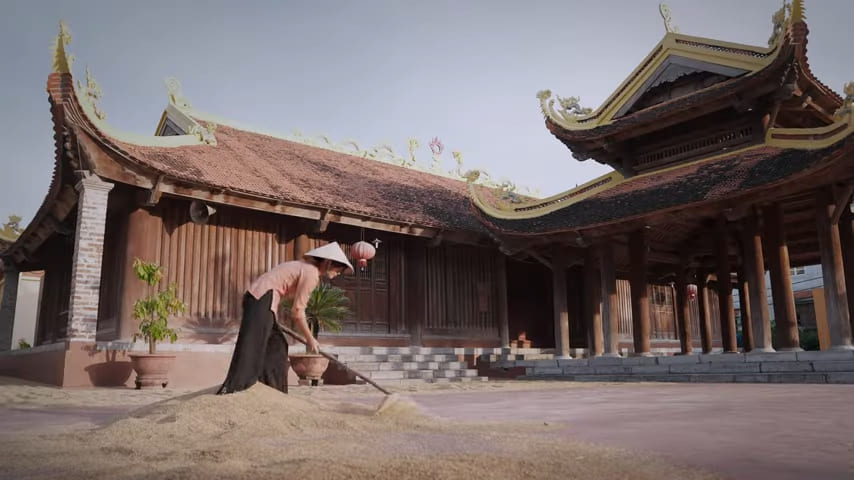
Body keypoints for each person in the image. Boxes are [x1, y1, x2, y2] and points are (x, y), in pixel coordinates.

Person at [217, 241, 354, 394]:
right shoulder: (311, 273)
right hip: (262, 298)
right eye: (338, 268)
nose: (339, 272)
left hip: (262, 299)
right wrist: (310, 339)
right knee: (252, 345)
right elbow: (297, 311)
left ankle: (272, 390)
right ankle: (235, 387)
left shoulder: (303, 267)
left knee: (278, 345)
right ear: (328, 262)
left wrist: (272, 315)